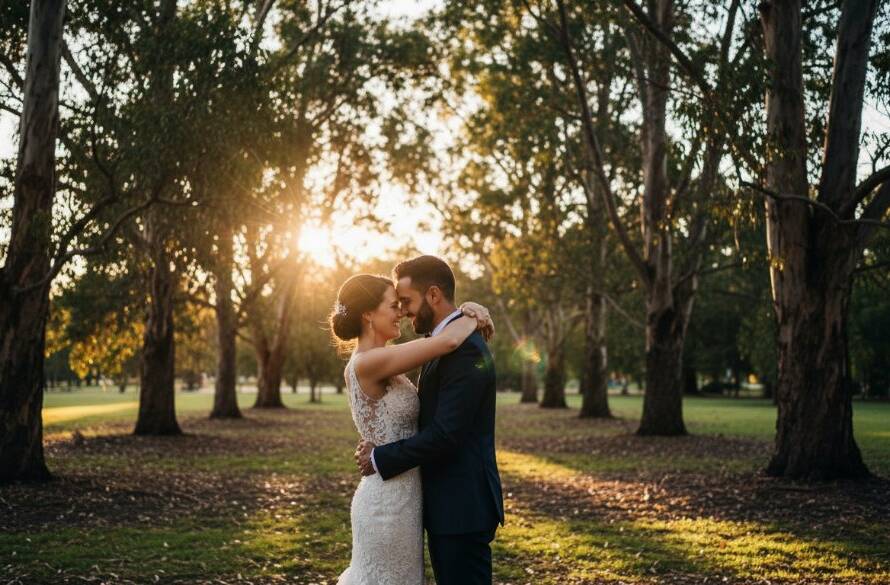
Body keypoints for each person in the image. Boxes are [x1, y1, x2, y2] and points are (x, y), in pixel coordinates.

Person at [331, 263, 499, 585]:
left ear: (432, 294)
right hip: (388, 503)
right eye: (394, 305)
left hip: (419, 498)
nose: (402, 313)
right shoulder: (369, 361)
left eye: (403, 302)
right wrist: (474, 314)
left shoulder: (392, 356)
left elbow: (438, 421)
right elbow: (447, 342)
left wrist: (470, 312)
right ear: (368, 314)